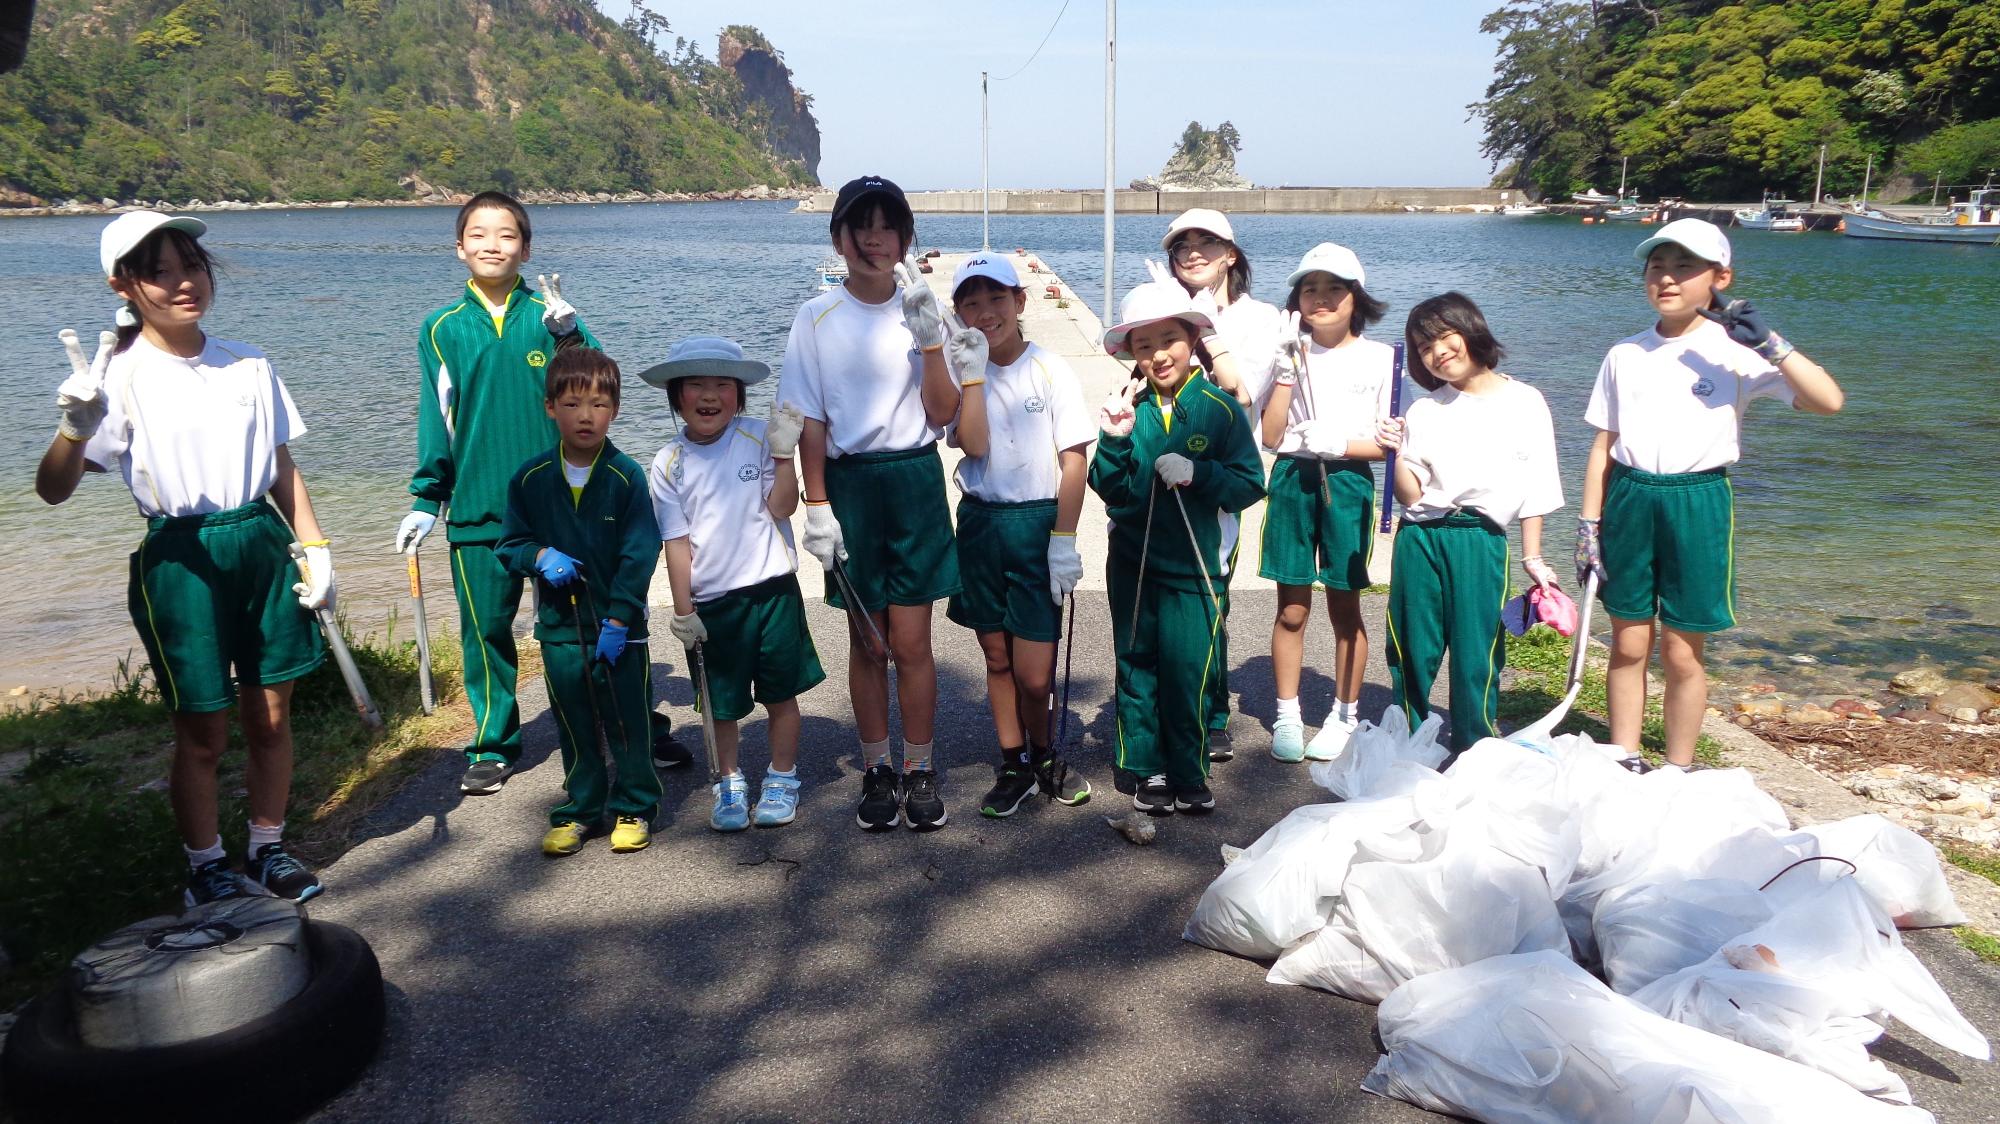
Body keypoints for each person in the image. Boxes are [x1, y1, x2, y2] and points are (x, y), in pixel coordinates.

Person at [34, 211, 333, 905]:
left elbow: (282, 468)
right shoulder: (117, 378)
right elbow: (52, 491)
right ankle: (205, 865)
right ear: (124, 285)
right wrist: (73, 429)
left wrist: (316, 550)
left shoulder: (249, 363)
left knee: (272, 714)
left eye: (191, 266)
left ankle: (268, 848)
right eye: (159, 273)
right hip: (179, 554)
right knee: (203, 728)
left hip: (259, 538)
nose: (183, 284)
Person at [1578, 219, 1844, 768]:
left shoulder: (1738, 352)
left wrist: (1773, 344)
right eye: (1657, 266)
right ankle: (1622, 755)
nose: (1667, 279)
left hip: (1699, 500)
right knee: (1628, 641)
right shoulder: (1625, 353)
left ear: (1720, 278)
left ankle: (1679, 764)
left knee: (1681, 647)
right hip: (1629, 496)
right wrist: (1589, 525)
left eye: (1684, 267)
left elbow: (1827, 402)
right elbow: (1605, 445)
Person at [395, 191, 604, 797]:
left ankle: (599, 722)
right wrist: (426, 497)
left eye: (507, 235)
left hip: (557, 504)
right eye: (480, 235)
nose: (493, 245)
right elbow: (436, 417)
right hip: (478, 507)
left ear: (527, 248)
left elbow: (589, 385)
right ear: (460, 248)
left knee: (573, 625)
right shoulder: (441, 329)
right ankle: (492, 742)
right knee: (485, 630)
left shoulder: (551, 315)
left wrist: (571, 333)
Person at [778, 175, 962, 831]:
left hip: (913, 478)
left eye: (888, 226)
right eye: (861, 225)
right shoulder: (817, 316)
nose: (874, 238)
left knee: (911, 642)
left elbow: (944, 413)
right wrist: (817, 505)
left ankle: (919, 767)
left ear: (906, 238)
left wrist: (932, 341)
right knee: (869, 642)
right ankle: (876, 767)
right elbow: (810, 418)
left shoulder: (924, 306)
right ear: (840, 237)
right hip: (851, 482)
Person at [1090, 280, 1266, 815]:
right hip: (1134, 561)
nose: (1158, 354)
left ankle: (1190, 769)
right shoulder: (1131, 407)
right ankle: (1148, 768)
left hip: (1195, 565)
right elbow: (1110, 489)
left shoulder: (1219, 408)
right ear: (1131, 355)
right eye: (1144, 345)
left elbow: (1249, 482)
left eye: (1170, 338)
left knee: (1189, 668)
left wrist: (1200, 473)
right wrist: (1114, 441)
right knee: (1137, 662)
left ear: (1193, 339)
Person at [644, 337, 826, 831]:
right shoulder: (668, 462)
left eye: (722, 385)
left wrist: (785, 454)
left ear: (739, 394)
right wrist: (682, 610)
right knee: (720, 704)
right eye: (695, 386)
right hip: (713, 603)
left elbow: (783, 508)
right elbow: (675, 543)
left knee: (780, 694)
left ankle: (782, 778)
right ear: (676, 396)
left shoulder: (758, 436)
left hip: (772, 592)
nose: (709, 395)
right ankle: (729, 783)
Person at [938, 254, 1095, 817]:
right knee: (995, 657)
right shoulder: (960, 375)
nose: (986, 313)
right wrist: (974, 375)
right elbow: (973, 445)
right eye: (972, 304)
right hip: (981, 522)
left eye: (997, 300)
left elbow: (1074, 462)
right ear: (958, 314)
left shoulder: (1049, 368)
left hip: (1036, 523)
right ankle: (1014, 763)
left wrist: (1063, 538)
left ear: (1020, 303)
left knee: (1034, 674)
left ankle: (1046, 750)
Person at [1379, 292, 1563, 753]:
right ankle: (1410, 742)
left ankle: (1474, 746)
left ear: (1471, 329)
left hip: (1481, 538)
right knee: (1412, 648)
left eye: (1445, 337)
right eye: (1425, 347)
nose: (1438, 352)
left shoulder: (1525, 400)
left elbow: (1536, 486)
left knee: (1477, 651)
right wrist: (1395, 451)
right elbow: (1410, 494)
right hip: (1421, 536)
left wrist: (1534, 557)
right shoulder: (1425, 409)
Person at [495, 347, 662, 855]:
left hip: (619, 629)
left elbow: (640, 552)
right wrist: (539, 554)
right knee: (575, 722)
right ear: (550, 408)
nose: (585, 416)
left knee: (628, 720)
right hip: (559, 628)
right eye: (571, 404)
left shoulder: (625, 477)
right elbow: (509, 544)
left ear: (615, 410)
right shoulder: (529, 478)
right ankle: (581, 809)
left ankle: (634, 805)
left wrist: (619, 616)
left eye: (597, 404)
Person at [1256, 243, 1395, 764]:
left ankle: (1344, 713)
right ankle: (1287, 713)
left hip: (1349, 479)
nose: (1321, 298)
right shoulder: (1288, 348)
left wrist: (1338, 442)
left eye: (1334, 288)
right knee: (1291, 606)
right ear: (1296, 298)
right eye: (1310, 288)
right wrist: (1285, 374)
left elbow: (1385, 445)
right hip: (1293, 475)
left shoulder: (1382, 357)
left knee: (1345, 602)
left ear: (1356, 297)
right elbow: (1271, 435)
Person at [1155, 208, 1284, 761]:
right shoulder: (1158, 303)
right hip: (1159, 465)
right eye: (1181, 244)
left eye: (1206, 242)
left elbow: (1242, 395)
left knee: (1210, 594)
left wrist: (1205, 329)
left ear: (1231, 254)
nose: (1192, 252)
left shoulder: (1261, 318)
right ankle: (1161, 709)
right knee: (1159, 598)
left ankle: (1210, 712)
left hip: (1221, 475)